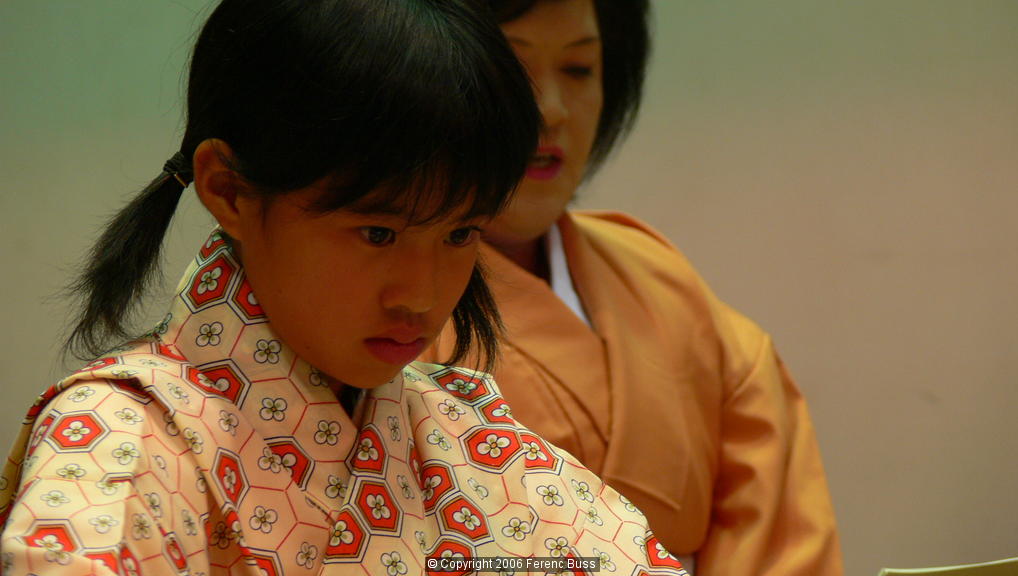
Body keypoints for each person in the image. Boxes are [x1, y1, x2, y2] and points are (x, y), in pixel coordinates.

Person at [0, 1, 695, 575]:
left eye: (460, 234)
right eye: (378, 233)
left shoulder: (472, 442)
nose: (421, 296)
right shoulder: (115, 443)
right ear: (229, 190)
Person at [423, 1, 844, 574]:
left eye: (578, 69)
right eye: (510, 71)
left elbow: (779, 537)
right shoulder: (386, 302)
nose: (550, 109)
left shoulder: (662, 281)